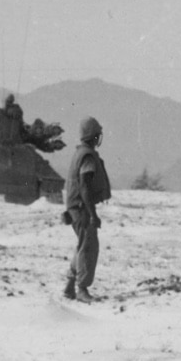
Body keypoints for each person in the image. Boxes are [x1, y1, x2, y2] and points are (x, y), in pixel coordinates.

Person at [64, 116, 111, 302]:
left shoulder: (80, 153)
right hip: (82, 209)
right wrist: (93, 214)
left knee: (82, 245)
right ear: (93, 136)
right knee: (89, 248)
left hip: (75, 207)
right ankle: (81, 289)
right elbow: (85, 186)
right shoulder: (88, 156)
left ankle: (69, 285)